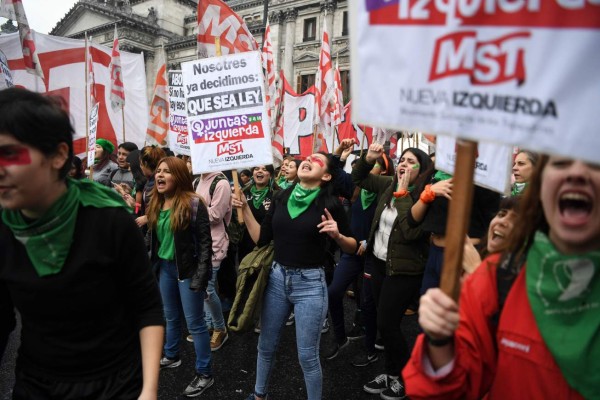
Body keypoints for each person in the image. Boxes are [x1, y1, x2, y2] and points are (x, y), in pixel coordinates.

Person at [0, 87, 164, 399]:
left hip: (115, 383)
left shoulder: (110, 220)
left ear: (59, 155)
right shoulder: (3, 229)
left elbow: (147, 307)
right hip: (36, 384)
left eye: (11, 154)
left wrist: (149, 390)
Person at [404, 155, 600, 399]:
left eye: (594, 165)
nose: (575, 177)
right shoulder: (497, 274)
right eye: (560, 165)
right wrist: (441, 345)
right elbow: (453, 385)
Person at [234, 152, 358, 400]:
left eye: (317, 160)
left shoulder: (331, 203)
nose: (308, 161)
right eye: (307, 158)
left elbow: (353, 247)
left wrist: (338, 236)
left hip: (311, 284)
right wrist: (246, 210)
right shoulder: (282, 196)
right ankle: (259, 395)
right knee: (266, 345)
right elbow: (261, 239)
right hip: (277, 279)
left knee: (307, 356)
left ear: (326, 176)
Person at [352, 144, 432, 400]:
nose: (404, 165)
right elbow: (358, 178)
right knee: (384, 322)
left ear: (421, 172)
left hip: (403, 271)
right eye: (403, 160)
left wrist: (403, 194)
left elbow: (410, 232)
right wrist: (368, 159)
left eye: (411, 162)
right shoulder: (387, 183)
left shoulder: (425, 196)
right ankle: (392, 372)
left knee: (388, 323)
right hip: (378, 263)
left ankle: (407, 376)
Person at [147, 156, 214, 397]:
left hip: (187, 270)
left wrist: (200, 276)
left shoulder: (194, 203)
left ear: (179, 176)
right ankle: (172, 355)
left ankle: (205, 373)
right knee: (170, 316)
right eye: (158, 171)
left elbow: (206, 245)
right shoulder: (155, 201)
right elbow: (155, 240)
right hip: (165, 268)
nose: (160, 175)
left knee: (195, 324)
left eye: (167, 171)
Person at [196, 169, 233, 351]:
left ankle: (220, 328)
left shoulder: (221, 183)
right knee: (202, 288)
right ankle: (209, 325)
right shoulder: (197, 181)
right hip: (198, 243)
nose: (190, 161)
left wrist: (193, 205)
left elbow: (215, 215)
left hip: (214, 244)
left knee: (208, 289)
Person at [238, 165, 278, 261]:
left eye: (264, 169)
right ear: (253, 173)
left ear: (270, 174)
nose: (260, 171)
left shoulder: (277, 195)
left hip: (267, 246)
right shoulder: (243, 193)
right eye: (256, 169)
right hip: (245, 243)